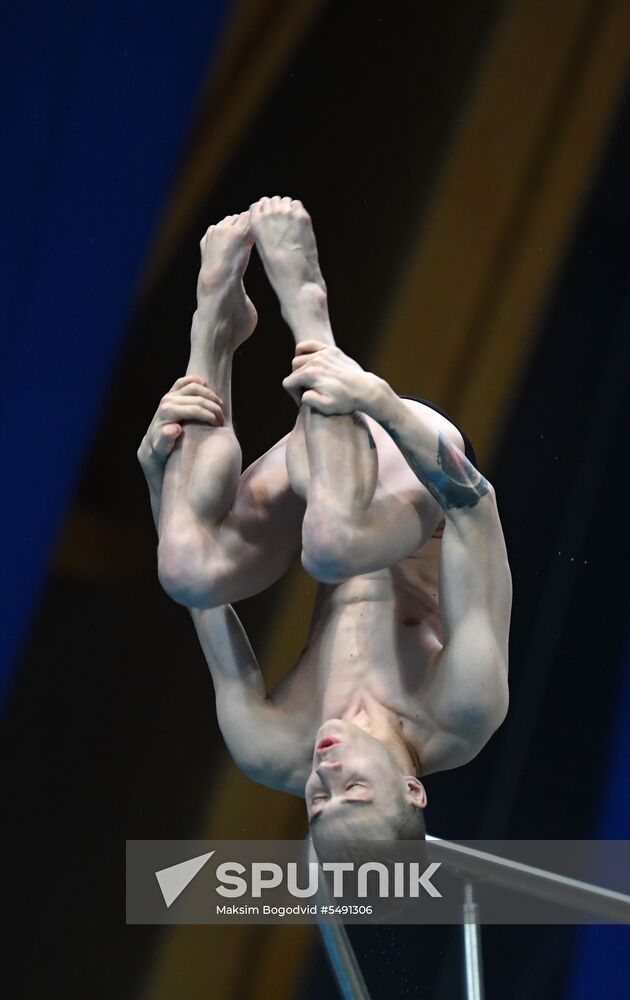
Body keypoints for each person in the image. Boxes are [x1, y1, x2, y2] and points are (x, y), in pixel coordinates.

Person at [137, 196, 512, 845]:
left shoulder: (270, 748)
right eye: (355, 787)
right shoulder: (464, 709)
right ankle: (310, 314)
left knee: (187, 573)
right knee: (336, 544)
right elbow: (474, 504)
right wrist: (376, 399)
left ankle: (214, 337)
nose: (327, 771)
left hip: (320, 467)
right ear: (412, 789)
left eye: (317, 800)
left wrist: (157, 476)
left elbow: (206, 607)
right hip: (417, 475)